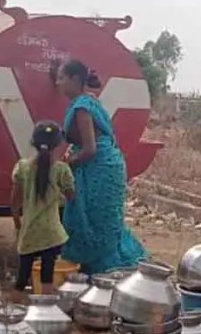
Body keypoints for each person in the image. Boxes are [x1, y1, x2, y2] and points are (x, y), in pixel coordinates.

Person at [55, 59, 147, 274]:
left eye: (61, 78)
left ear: (75, 79)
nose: (57, 83)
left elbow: (89, 150)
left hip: (99, 168)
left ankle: (104, 269)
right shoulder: (90, 100)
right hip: (107, 165)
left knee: (92, 219)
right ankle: (104, 266)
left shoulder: (81, 108)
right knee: (102, 218)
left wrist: (64, 165)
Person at [9, 120, 75, 302]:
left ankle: (13, 315)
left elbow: (14, 203)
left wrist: (17, 225)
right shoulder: (62, 169)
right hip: (52, 234)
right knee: (47, 273)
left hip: (29, 232)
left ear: (33, 142)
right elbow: (71, 196)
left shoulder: (22, 167)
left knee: (22, 277)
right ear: (59, 144)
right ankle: (45, 312)